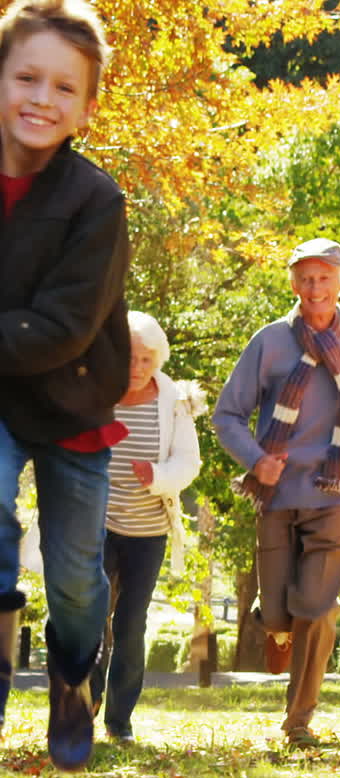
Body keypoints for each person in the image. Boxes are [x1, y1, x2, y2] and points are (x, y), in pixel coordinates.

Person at [213, 236, 340, 746]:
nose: (315, 287)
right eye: (305, 277)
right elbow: (227, 416)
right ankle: (276, 621)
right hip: (278, 492)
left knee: (317, 605)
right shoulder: (270, 342)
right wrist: (257, 462)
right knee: (282, 610)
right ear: (293, 283)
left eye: (325, 276)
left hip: (338, 488)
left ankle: (298, 720)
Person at [0, 0, 130, 769]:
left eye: (64, 88)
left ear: (85, 109)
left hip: (71, 396)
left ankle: (73, 679)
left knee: (78, 578)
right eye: (25, 77)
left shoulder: (96, 199)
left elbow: (64, 326)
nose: (42, 98)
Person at [90, 312, 202, 742]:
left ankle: (120, 722)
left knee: (131, 624)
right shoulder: (97, 392)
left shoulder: (172, 400)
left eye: (146, 359)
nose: (136, 368)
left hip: (148, 530)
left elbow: (188, 462)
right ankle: (86, 702)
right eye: (129, 357)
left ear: (158, 359)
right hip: (99, 522)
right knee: (92, 615)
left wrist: (155, 475)